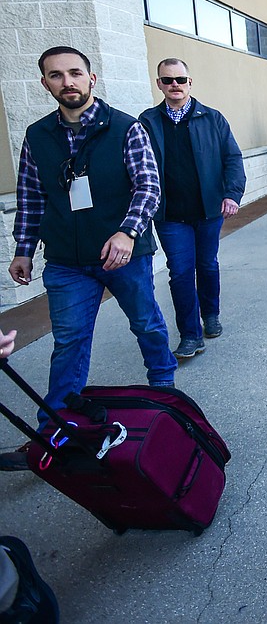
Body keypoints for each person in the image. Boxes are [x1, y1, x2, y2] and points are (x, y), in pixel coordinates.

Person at [0, 46, 176, 472]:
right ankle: (51, 436)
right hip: (66, 261)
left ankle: (166, 396)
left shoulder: (126, 129)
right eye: (56, 76)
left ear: (91, 78)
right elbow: (30, 197)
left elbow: (148, 188)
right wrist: (24, 250)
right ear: (45, 84)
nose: (68, 82)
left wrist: (127, 231)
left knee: (147, 323)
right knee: (69, 344)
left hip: (124, 254)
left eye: (75, 73)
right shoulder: (38, 136)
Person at [138, 58, 246, 360]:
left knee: (207, 265)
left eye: (181, 80)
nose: (175, 85)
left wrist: (231, 194)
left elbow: (232, 159)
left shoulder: (212, 119)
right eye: (168, 80)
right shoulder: (147, 122)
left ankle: (211, 315)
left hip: (208, 210)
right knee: (181, 272)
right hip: (170, 214)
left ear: (189, 83)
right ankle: (190, 334)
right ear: (159, 84)